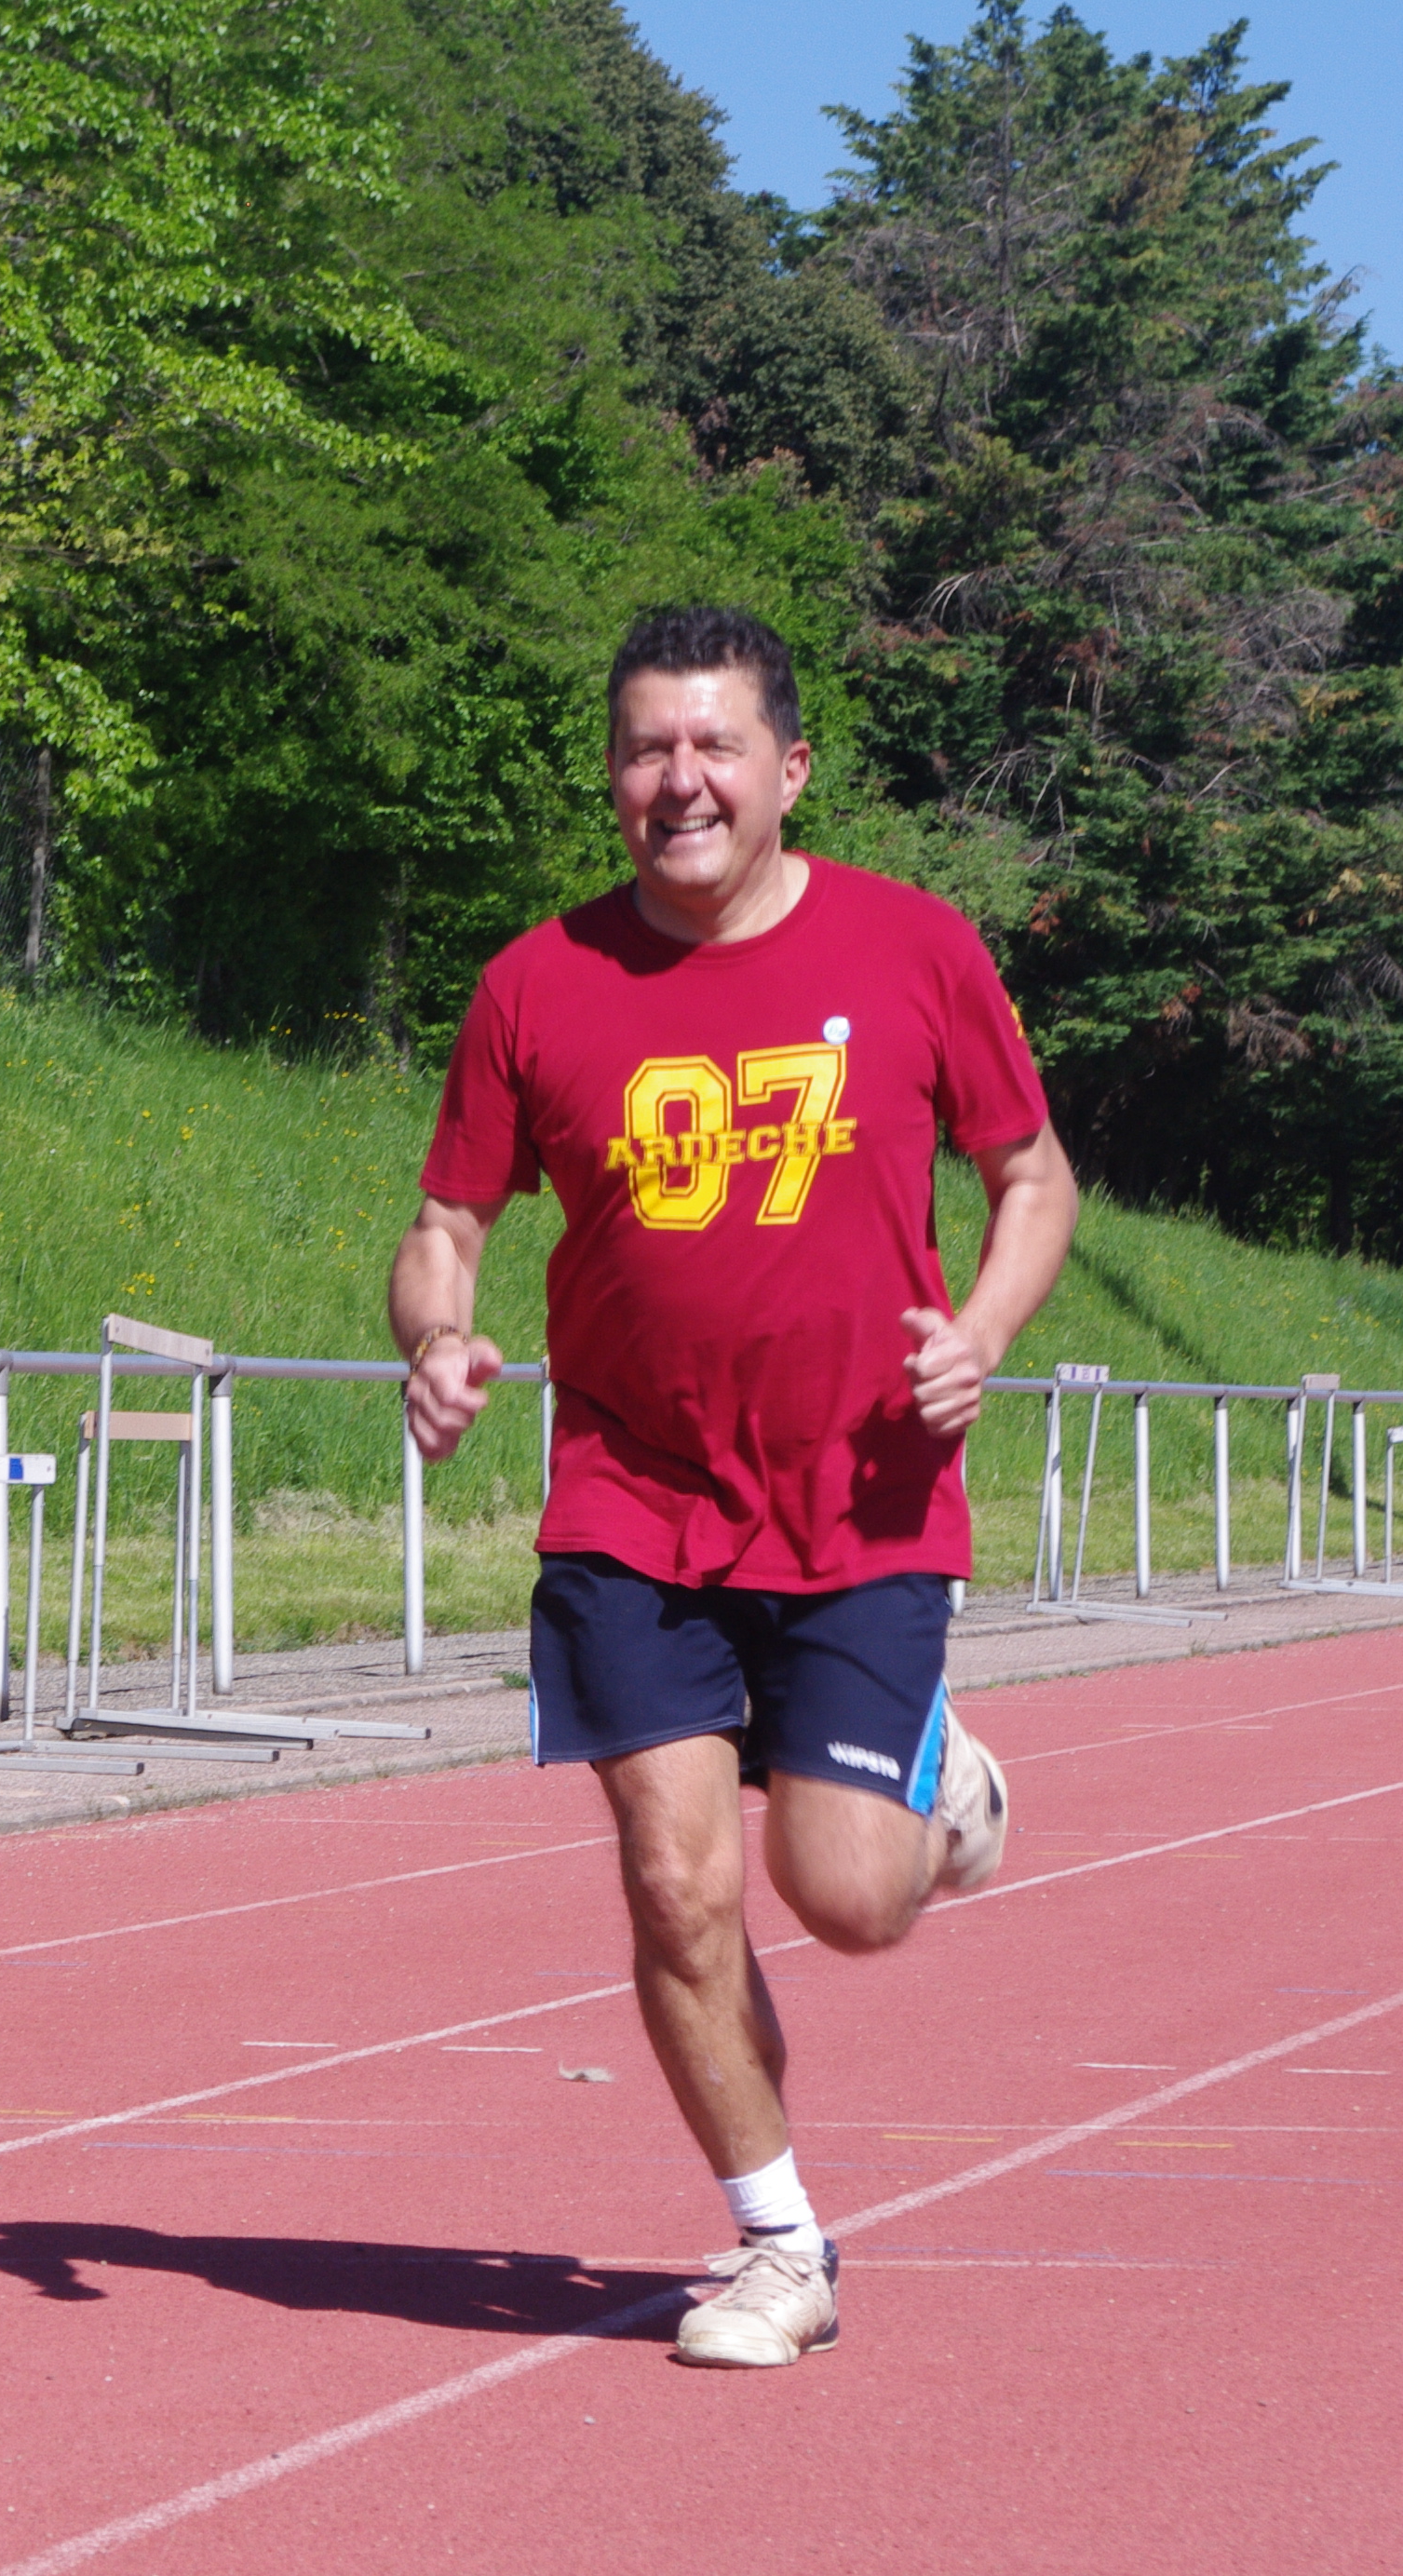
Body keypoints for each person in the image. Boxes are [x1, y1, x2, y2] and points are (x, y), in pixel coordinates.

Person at [389, 603, 1078, 2370]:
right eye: (643, 749)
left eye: (711, 747)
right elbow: (449, 1220)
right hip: (632, 1500)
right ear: (613, 778)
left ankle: (943, 1792)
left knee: (844, 1899)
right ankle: (778, 2242)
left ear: (790, 768)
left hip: (860, 1499)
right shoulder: (537, 983)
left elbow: (1033, 1178)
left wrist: (983, 1333)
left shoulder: (915, 949)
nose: (675, 780)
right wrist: (440, 1335)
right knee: (679, 1883)